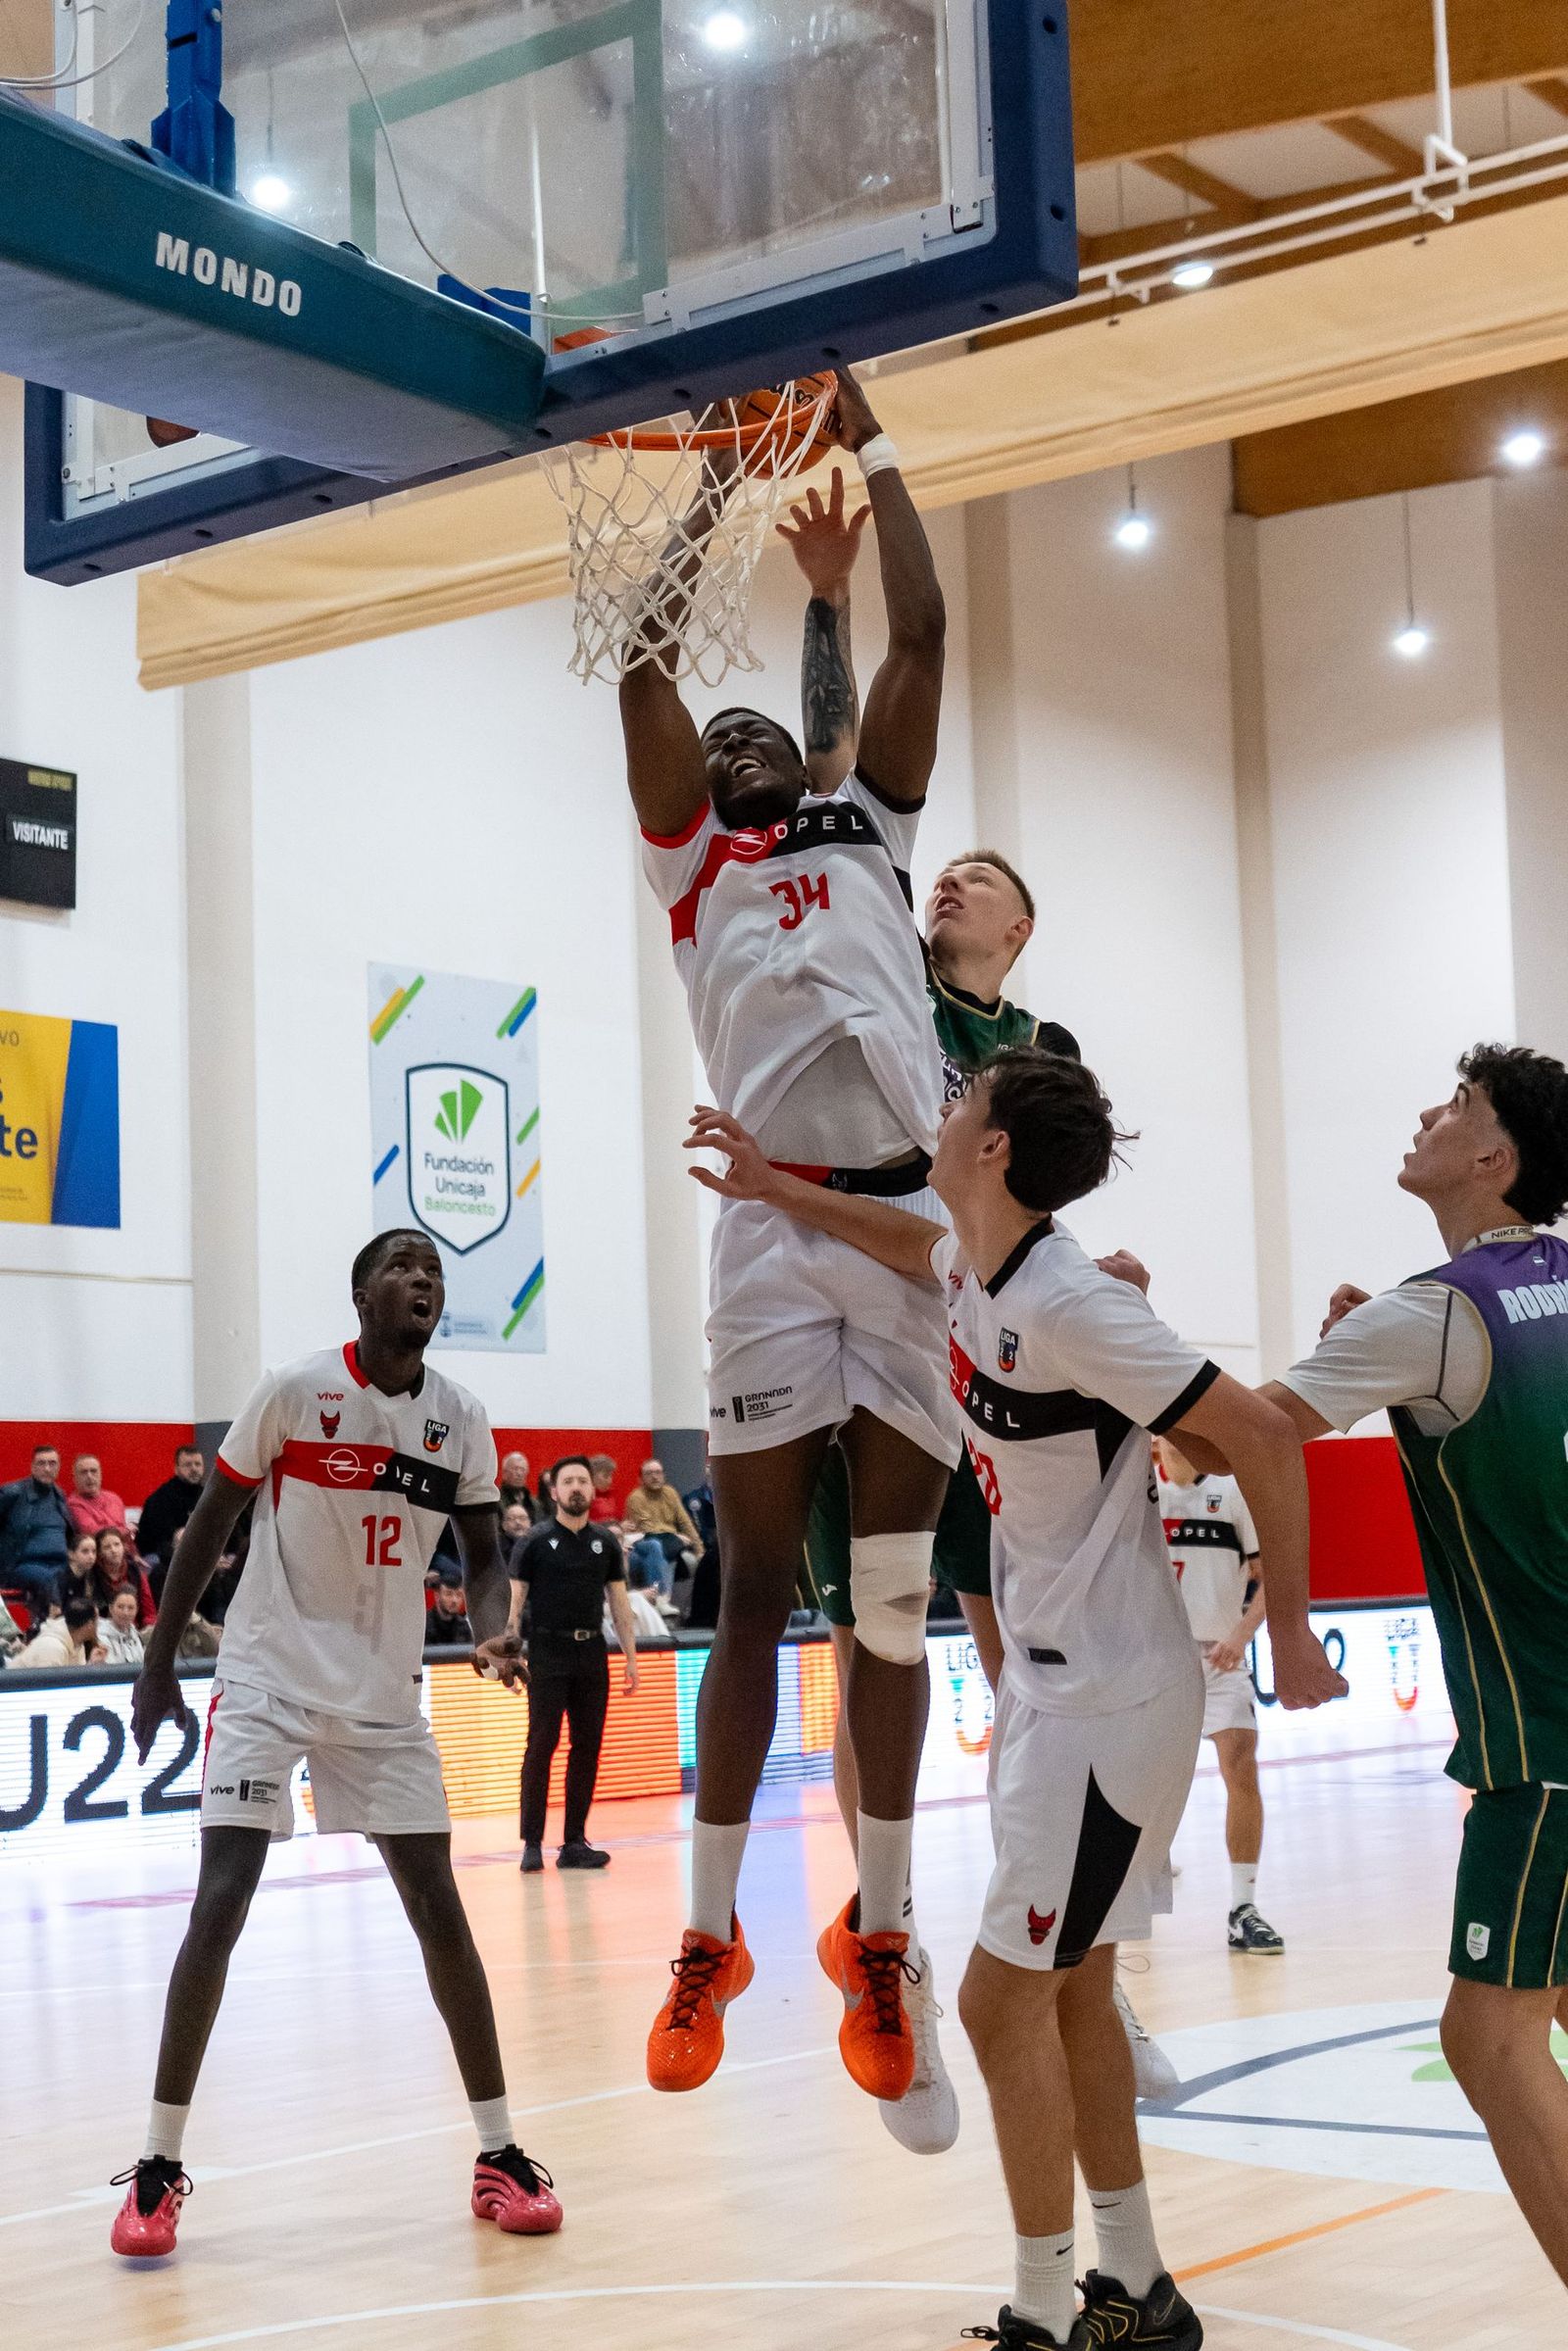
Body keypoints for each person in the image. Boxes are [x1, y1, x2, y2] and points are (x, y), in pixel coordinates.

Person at [687, 1047, 1344, 2351]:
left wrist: (1293, 1630)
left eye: (962, 1101)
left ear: (990, 1147)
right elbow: (905, 1240)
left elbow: (1262, 1433)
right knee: (1076, 1992)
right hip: (1053, 1692)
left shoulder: (1070, 1300)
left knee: (997, 2003)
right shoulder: (977, 1262)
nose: (941, 1111)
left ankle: (1046, 2306)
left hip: (1111, 1697)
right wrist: (775, 1185)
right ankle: (1138, 2286)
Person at [622, 365, 956, 2111]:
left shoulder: (869, 819)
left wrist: (869, 437)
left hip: (901, 1217)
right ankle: (710, 1933)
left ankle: (878, 1932)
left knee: (888, 1597)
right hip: (761, 1226)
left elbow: (924, 630)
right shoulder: (695, 864)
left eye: (766, 733)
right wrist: (714, 486)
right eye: (722, 740)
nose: (740, 742)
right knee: (753, 1591)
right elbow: (646, 666)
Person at [779, 471, 1082, 2149]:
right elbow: (839, 765)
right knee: (873, 1642)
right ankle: (887, 1942)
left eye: (976, 875)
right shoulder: (882, 947)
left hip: (995, 1357)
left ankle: (1059, 1939)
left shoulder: (1041, 1057)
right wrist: (829, 602)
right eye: (940, 866)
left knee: (1029, 1659)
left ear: (1019, 927)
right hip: (863, 1325)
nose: (946, 879)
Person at [108, 1228, 561, 2261]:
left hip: (384, 1698)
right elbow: (206, 1527)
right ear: (361, 1294)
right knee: (221, 1900)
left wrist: (494, 1623)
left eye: (434, 1270)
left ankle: (499, 2152)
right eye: (402, 1266)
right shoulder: (292, 1389)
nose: (423, 1279)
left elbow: (485, 1558)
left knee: (440, 1910)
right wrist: (158, 1661)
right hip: (266, 1680)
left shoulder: (461, 1418)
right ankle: (158, 2163)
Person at [1251, 1044, 1568, 2294]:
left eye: (1460, 1105)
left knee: (1486, 2036)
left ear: (1493, 1158)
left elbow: (1230, 1434)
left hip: (1546, 1742)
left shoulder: (1435, 1311)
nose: (1431, 1111)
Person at [1153, 1435, 1282, 1954]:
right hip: (1154, 1658)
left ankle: (1242, 1907)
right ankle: (1129, 1892)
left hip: (1219, 1657)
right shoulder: (1139, 1492)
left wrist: (1241, 1635)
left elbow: (1272, 1578)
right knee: (1140, 1778)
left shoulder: (1231, 1492)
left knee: (1241, 1762)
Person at [510, 1457, 641, 1875]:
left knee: (587, 1747)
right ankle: (532, 1842)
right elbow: (515, 1601)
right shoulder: (534, 1541)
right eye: (568, 1481)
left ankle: (574, 1842)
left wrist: (631, 1657)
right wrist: (510, 1654)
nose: (576, 1487)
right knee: (541, 1744)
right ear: (554, 1492)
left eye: (582, 1481)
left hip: (592, 1653)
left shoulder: (605, 1542)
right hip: (547, 1651)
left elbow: (619, 1603)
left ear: (592, 1489)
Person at [0, 1444, 74, 1631]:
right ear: (32, 1467)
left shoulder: (59, 1496)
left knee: (83, 1576)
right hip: (20, 1566)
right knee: (49, 1579)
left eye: (52, 1463)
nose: (47, 1468)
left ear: (59, 1467)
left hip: (59, 1565)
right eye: (41, 1463)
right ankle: (52, 1630)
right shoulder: (12, 1493)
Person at [135, 1445, 206, 1569]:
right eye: (188, 1465)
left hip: (198, 1553)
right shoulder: (160, 1498)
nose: (194, 1469)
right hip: (158, 1556)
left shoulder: (207, 1496)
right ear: (176, 1469)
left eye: (197, 1464)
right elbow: (159, 1540)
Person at [91, 1527, 157, 1629]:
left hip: (135, 1629)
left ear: (123, 1546)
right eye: (107, 1547)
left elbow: (149, 1612)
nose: (113, 1550)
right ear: (99, 1553)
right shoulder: (92, 1576)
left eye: (117, 1544)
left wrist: (148, 1629)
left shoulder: (135, 1572)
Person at [18, 1592, 104, 1669]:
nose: (99, 1625)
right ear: (89, 1625)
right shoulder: (52, 1648)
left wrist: (91, 1664)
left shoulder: (78, 1644)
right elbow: (46, 1681)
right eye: (97, 1621)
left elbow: (76, 1678)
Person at [66, 1452, 130, 1540]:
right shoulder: (73, 1504)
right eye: (84, 1472)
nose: (89, 1476)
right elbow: (96, 1533)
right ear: (74, 1478)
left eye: (93, 1471)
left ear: (100, 1475)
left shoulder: (114, 1498)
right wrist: (127, 1530)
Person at [423, 1571, 474, 1649]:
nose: (454, 1600)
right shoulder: (423, 1624)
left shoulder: (464, 1626)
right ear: (437, 1596)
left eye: (459, 1595)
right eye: (448, 1594)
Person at [99, 1585, 146, 1667]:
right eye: (120, 1607)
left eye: (131, 1608)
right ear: (111, 1608)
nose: (125, 1613)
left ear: (137, 1610)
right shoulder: (100, 1636)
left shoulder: (136, 1636)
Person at [499, 1450, 539, 1524]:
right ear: (504, 1473)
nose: (519, 1473)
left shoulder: (534, 1503)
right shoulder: (496, 1501)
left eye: (522, 1469)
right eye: (515, 1469)